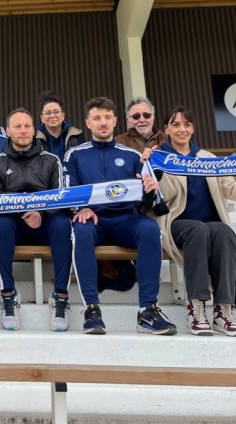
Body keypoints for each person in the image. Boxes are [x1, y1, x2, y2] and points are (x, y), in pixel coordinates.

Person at [146, 107, 236, 337]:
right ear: (166, 129)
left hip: (211, 225)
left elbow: (234, 191)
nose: (182, 129)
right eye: (175, 124)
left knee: (224, 232)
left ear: (193, 128)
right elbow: (162, 198)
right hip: (177, 222)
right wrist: (156, 173)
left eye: (186, 124)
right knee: (198, 229)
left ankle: (223, 311)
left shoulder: (209, 158)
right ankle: (196, 308)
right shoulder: (161, 158)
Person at [64, 97, 175, 336]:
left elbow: (149, 205)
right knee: (80, 228)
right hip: (93, 219)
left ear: (115, 121)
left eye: (107, 118)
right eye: (97, 118)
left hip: (124, 220)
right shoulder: (74, 154)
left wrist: (150, 189)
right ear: (88, 123)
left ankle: (148, 310)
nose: (102, 123)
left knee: (149, 229)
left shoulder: (132, 155)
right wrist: (80, 209)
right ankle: (92, 309)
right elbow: (68, 192)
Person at [0, 109, 73, 332]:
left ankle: (60, 296)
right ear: (7, 131)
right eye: (17, 126)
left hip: (45, 224)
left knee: (63, 223)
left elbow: (60, 198)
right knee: (0, 222)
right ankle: (9, 295)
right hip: (15, 226)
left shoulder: (51, 160)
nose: (23, 131)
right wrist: (21, 211)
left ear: (34, 130)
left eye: (27, 126)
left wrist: (41, 214)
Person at [35, 92, 84, 159]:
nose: (52, 116)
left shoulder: (76, 135)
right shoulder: (35, 138)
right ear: (42, 118)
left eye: (56, 112)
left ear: (63, 115)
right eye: (48, 113)